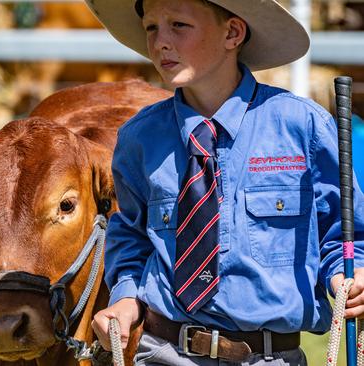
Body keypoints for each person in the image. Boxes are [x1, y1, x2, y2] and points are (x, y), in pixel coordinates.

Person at [84, 0, 364, 364]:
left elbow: (341, 235)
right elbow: (132, 238)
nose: (160, 42)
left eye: (179, 26)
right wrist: (124, 300)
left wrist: (352, 274)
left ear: (232, 33)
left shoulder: (303, 127)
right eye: (152, 28)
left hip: (271, 357)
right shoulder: (139, 139)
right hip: (165, 352)